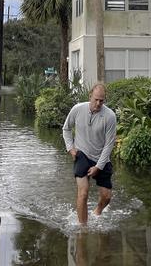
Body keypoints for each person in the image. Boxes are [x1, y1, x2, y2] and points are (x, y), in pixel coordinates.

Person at [62, 83, 116, 226]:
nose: (98, 103)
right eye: (96, 99)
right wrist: (71, 149)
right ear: (90, 96)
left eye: (101, 100)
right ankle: (83, 228)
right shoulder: (77, 109)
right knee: (83, 192)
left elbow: (109, 144)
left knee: (106, 197)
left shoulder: (110, 116)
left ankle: (97, 211)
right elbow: (66, 129)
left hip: (101, 157)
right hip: (82, 154)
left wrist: (98, 166)